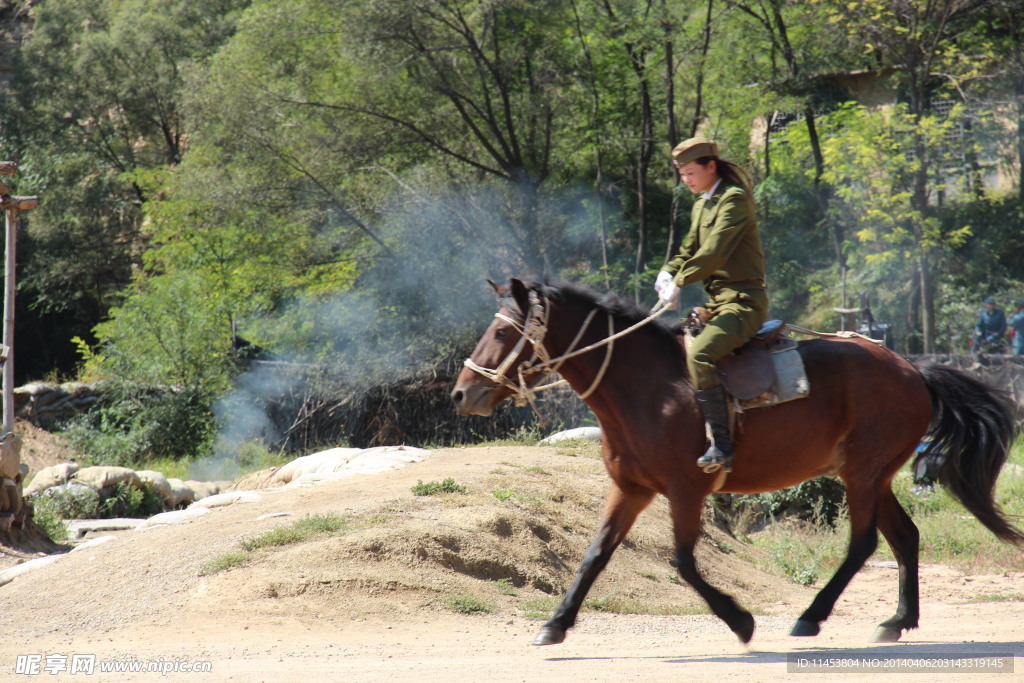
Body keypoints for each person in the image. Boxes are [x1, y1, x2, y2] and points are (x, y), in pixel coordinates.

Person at [653, 137, 767, 474]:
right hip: (716, 303)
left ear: (710, 166)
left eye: (690, 172)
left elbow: (715, 252)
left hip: (743, 303)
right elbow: (689, 248)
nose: (685, 179)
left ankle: (722, 446)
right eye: (681, 174)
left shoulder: (734, 200)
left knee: (700, 354)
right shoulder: (701, 204)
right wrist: (667, 272)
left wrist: (681, 281)